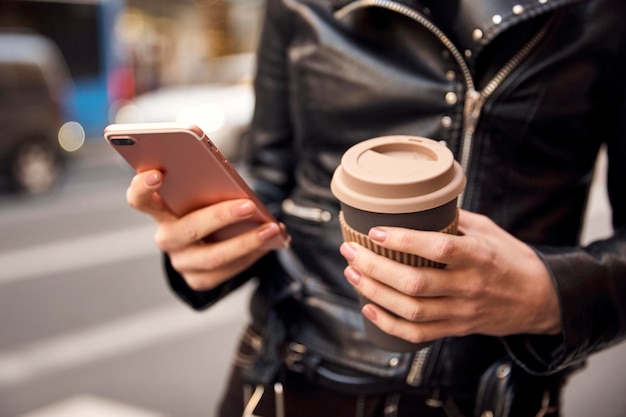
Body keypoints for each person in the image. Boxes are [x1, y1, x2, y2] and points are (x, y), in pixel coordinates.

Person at [125, 0, 626, 416]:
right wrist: (203, 243)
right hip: (286, 378)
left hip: (488, 395)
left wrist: (548, 293)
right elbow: (270, 182)